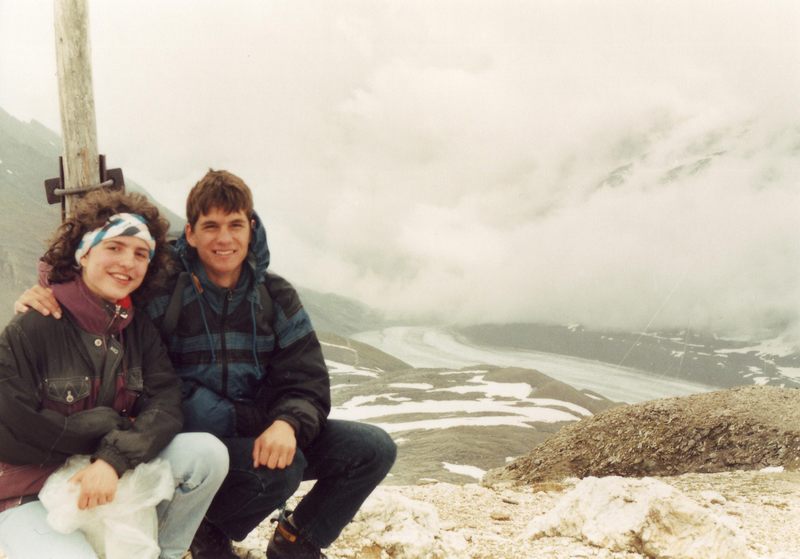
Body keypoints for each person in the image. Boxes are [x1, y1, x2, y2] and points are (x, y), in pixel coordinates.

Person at [17, 170, 397, 559]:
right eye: (211, 226)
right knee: (280, 471)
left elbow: (308, 379)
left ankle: (297, 541)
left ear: (251, 228)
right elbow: (101, 278)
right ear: (192, 234)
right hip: (192, 439)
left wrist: (288, 422)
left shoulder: (276, 295)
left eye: (235, 225)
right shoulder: (162, 288)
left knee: (371, 449)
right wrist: (48, 292)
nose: (224, 238)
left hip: (265, 431)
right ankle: (206, 530)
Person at [1, 190, 229, 559]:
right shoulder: (34, 325)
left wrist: (112, 458)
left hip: (105, 473)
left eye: (140, 254)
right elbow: (11, 431)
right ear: (84, 253)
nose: (128, 262)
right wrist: (107, 426)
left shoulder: (137, 329)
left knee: (207, 455)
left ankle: (164, 553)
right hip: (27, 492)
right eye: (114, 247)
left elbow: (165, 404)